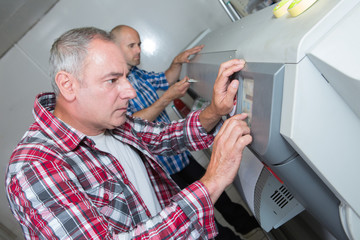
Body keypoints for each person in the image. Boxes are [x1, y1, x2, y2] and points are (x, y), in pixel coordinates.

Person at [5, 27, 251, 240]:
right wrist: (212, 181)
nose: (130, 92)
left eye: (125, 77)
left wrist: (215, 110)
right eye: (112, 80)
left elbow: (164, 137)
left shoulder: (110, 121)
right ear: (68, 85)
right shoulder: (35, 168)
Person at [110, 25, 260, 239]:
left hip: (178, 151)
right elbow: (132, 125)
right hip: (161, 168)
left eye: (140, 44)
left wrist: (177, 62)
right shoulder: (115, 88)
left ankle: (248, 226)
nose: (138, 50)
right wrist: (166, 98)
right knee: (195, 211)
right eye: (132, 45)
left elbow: (165, 79)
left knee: (219, 195)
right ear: (114, 49)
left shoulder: (137, 73)